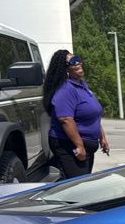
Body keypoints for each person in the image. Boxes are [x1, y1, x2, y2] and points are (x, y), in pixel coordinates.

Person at [42, 49, 110, 178]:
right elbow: (66, 120)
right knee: (78, 184)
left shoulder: (82, 85)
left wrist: (102, 137)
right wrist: (79, 145)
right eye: (73, 61)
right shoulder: (66, 89)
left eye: (78, 59)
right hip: (68, 145)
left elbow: (92, 114)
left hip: (86, 145)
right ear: (65, 69)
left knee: (81, 182)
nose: (78, 63)